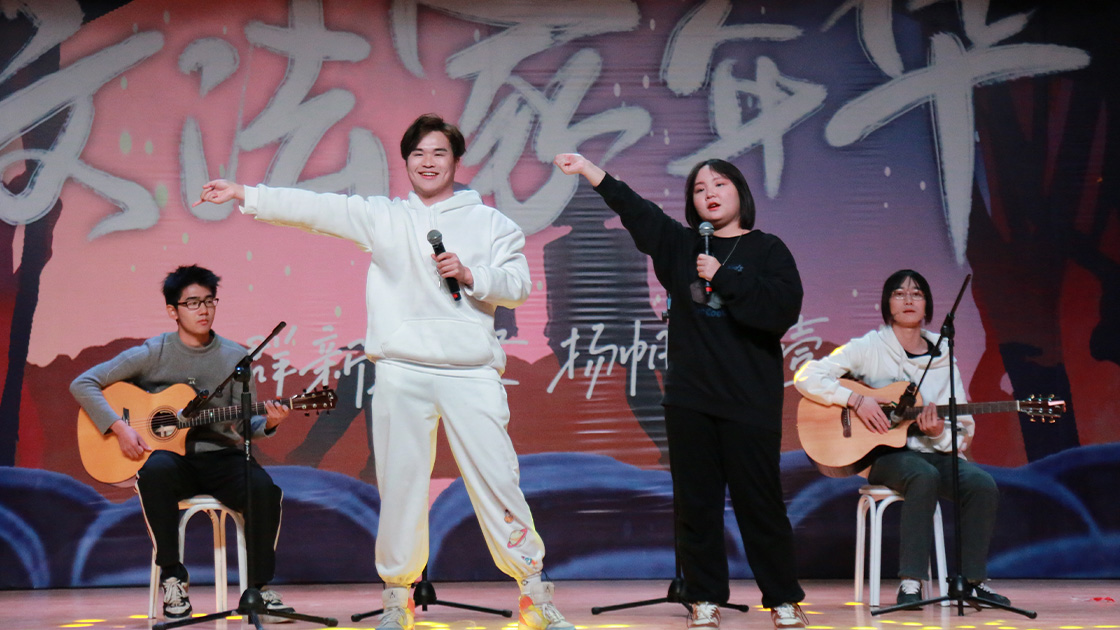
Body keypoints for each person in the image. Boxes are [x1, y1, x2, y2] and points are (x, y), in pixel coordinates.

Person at [194, 114, 574, 630]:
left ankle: (534, 591)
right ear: (406, 161)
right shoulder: (386, 217)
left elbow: (517, 287)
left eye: (438, 153)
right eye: (418, 154)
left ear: (456, 160)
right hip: (400, 371)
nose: (428, 162)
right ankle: (398, 596)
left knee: (497, 480)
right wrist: (246, 194)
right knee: (401, 486)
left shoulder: (491, 223)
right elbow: (318, 209)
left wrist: (470, 274)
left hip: (470, 372)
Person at [553, 153, 809, 629]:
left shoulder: (768, 249)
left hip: (750, 401)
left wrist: (722, 275)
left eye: (720, 184)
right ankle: (704, 597)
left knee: (761, 504)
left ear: (739, 192)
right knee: (697, 506)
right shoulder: (680, 245)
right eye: (699, 188)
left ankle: (783, 598)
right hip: (690, 399)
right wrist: (590, 171)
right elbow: (637, 210)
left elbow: (780, 311)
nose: (710, 193)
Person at [70, 265, 295, 622]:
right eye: (192, 303)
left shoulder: (235, 357)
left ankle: (259, 589)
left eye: (209, 301)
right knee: (155, 473)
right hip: (171, 459)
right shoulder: (154, 352)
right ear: (173, 310)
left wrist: (269, 422)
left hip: (221, 456)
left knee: (265, 491)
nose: (203, 310)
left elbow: (242, 425)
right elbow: (83, 383)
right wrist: (119, 428)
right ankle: (173, 579)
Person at [793, 269, 1010, 609]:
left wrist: (939, 433)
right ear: (887, 304)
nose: (908, 299)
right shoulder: (870, 347)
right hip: (885, 458)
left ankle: (972, 581)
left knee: (981, 484)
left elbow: (963, 428)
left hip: (934, 455)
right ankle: (911, 583)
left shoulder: (943, 355)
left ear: (927, 305)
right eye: (899, 293)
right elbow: (807, 376)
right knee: (922, 475)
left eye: (917, 293)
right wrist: (855, 399)